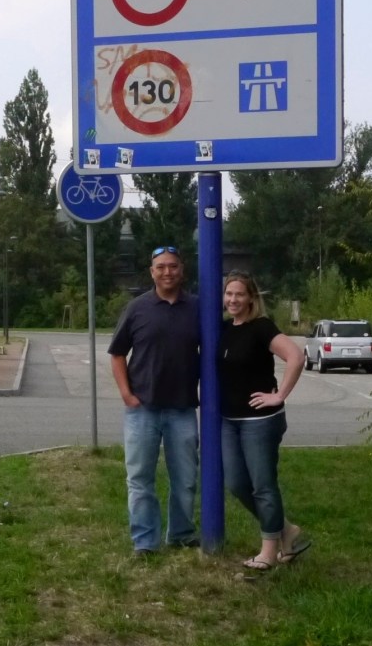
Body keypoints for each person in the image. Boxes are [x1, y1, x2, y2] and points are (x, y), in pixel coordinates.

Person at [108, 245, 200, 555]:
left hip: (183, 408)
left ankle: (181, 534)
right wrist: (126, 394)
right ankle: (145, 542)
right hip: (142, 409)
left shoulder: (198, 308)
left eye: (173, 266)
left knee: (186, 479)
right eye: (161, 267)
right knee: (140, 479)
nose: (167, 272)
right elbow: (117, 352)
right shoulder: (137, 309)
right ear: (152, 272)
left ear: (181, 270)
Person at [218, 270, 310, 571]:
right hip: (229, 420)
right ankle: (286, 530)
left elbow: (296, 357)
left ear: (251, 298)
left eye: (239, 294)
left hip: (260, 420)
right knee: (235, 483)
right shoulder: (224, 329)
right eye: (229, 293)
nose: (233, 299)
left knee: (263, 486)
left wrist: (279, 395)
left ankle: (269, 551)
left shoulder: (261, 327)